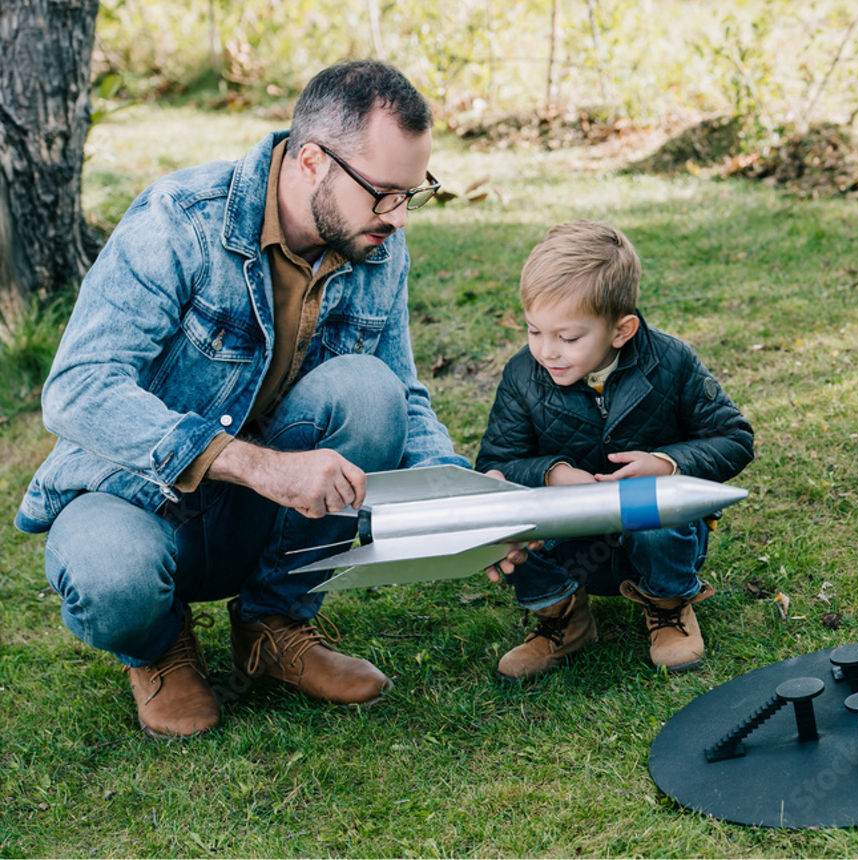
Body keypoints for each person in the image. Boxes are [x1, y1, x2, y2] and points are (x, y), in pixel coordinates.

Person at [13, 60, 526, 739]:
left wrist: (458, 494)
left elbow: (401, 388)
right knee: (110, 576)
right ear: (312, 160)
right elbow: (78, 389)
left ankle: (272, 625)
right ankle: (160, 648)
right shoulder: (179, 220)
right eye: (383, 193)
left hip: (261, 515)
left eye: (413, 192)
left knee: (370, 394)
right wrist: (260, 466)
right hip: (134, 498)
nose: (398, 218)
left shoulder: (375, 244)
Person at [476, 220, 754, 680]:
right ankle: (561, 618)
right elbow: (496, 466)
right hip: (568, 538)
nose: (548, 351)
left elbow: (734, 438)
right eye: (534, 330)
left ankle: (668, 607)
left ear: (621, 330)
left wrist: (667, 464)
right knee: (509, 518)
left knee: (659, 520)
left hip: (652, 528)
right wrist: (551, 473)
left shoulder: (672, 362)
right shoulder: (522, 376)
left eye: (568, 338)